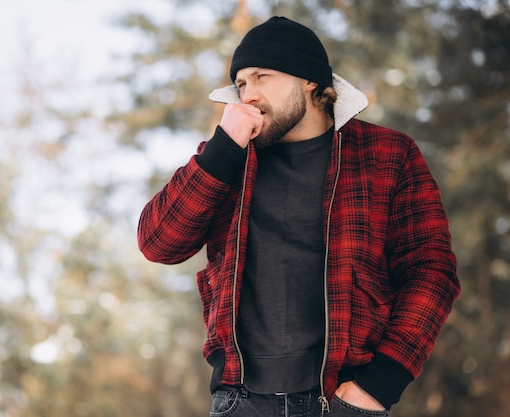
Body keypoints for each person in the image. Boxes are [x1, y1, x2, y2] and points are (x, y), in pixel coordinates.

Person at [137, 16, 460, 416]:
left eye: (261, 77)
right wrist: (221, 151)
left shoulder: (389, 154)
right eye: (240, 84)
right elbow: (158, 244)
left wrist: (380, 384)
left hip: (346, 399)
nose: (248, 95)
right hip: (240, 400)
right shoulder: (225, 157)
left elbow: (431, 271)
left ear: (309, 82)